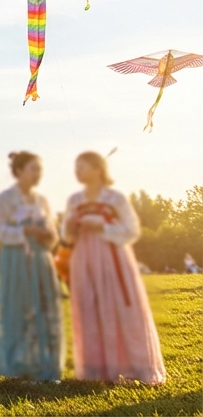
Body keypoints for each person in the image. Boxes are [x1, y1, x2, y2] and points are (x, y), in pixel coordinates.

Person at [63, 151, 167, 384]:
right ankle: (97, 370)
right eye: (75, 167)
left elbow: (131, 230)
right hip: (84, 258)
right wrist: (70, 228)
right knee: (90, 309)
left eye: (83, 166)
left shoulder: (115, 198)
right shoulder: (74, 201)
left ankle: (134, 369)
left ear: (98, 168)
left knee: (123, 307)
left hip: (113, 256)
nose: (77, 171)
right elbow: (67, 237)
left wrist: (101, 226)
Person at [0, 151, 64, 381]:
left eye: (40, 169)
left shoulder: (42, 200)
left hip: (41, 259)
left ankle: (45, 364)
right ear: (19, 170)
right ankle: (18, 364)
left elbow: (53, 234)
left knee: (44, 309)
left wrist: (46, 234)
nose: (38, 173)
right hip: (15, 258)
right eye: (33, 168)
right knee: (18, 308)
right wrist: (24, 231)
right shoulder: (4, 198)